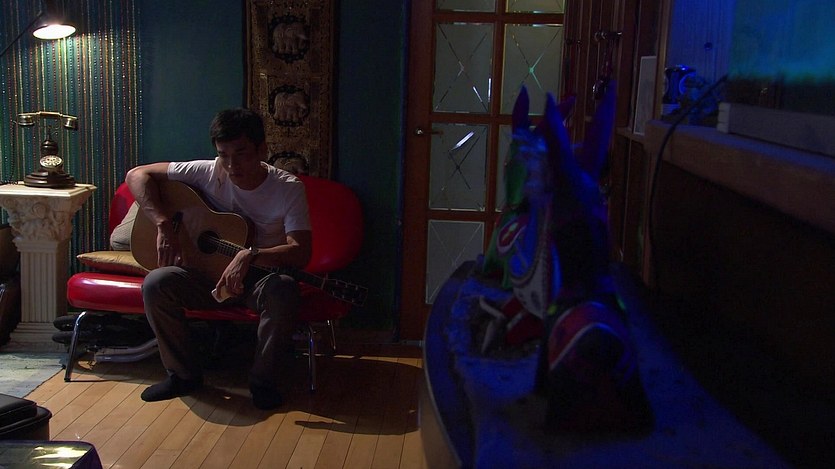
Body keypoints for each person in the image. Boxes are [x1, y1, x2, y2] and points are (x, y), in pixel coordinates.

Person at [125, 108, 312, 410]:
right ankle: (183, 375)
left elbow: (301, 252)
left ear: (262, 150)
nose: (231, 165)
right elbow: (136, 175)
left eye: (241, 154)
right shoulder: (207, 171)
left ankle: (263, 382)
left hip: (258, 278)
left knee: (284, 291)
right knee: (156, 283)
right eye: (223, 155)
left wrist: (251, 255)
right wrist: (162, 224)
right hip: (202, 273)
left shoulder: (287, 188)